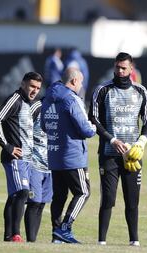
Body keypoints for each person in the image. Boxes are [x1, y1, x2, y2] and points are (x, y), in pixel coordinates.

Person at [89, 52, 147, 246]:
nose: (120, 71)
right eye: (117, 67)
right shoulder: (103, 90)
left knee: (132, 201)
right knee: (108, 199)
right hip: (109, 155)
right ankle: (101, 241)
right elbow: (94, 119)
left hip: (133, 156)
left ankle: (134, 240)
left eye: (124, 68)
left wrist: (141, 141)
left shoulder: (141, 91)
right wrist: (112, 139)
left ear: (131, 69)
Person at [41, 67, 96, 243]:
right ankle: (65, 228)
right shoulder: (72, 99)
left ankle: (56, 234)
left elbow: (44, 125)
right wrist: (94, 127)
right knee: (83, 192)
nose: (81, 86)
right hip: (73, 157)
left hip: (54, 155)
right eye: (80, 82)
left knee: (59, 196)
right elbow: (86, 129)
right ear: (73, 81)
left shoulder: (47, 99)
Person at [0, 72, 43, 242]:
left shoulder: (30, 104)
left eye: (38, 88)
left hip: (28, 159)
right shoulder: (15, 99)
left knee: (15, 195)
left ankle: (8, 235)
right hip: (15, 158)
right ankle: (16, 234)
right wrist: (7, 146)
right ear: (23, 83)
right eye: (32, 86)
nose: (35, 91)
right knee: (23, 192)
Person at [24, 99, 53, 242]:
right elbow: (22, 126)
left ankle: (33, 241)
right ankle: (30, 240)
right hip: (34, 163)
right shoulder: (38, 106)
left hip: (52, 166)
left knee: (42, 204)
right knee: (34, 201)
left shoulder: (65, 106)